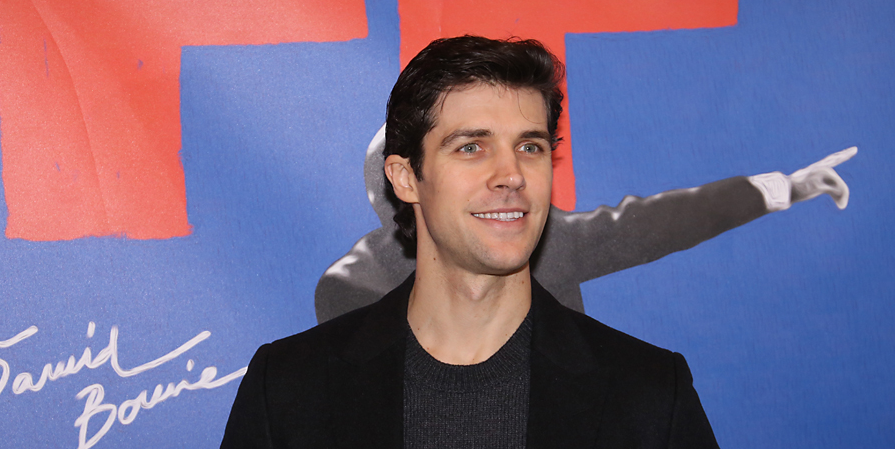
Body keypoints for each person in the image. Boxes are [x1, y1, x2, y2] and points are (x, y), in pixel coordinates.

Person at [189, 36, 755, 449]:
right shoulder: (293, 390)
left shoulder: (647, 395)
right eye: (471, 147)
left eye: (530, 147)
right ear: (406, 179)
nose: (510, 175)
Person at [315, 128, 856, 322]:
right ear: (401, 187)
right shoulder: (355, 287)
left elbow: (654, 224)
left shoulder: (544, 240)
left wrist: (787, 187)